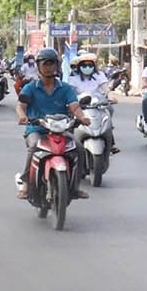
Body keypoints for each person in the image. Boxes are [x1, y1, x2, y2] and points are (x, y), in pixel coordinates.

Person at [16, 48, 91, 199]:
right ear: (39, 66)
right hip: (37, 129)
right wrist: (23, 116)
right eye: (45, 64)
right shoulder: (30, 87)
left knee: (79, 148)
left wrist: (82, 117)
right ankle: (26, 184)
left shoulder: (65, 88)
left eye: (52, 64)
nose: (49, 67)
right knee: (33, 147)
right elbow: (20, 105)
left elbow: (74, 106)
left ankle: (75, 186)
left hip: (61, 130)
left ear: (57, 65)